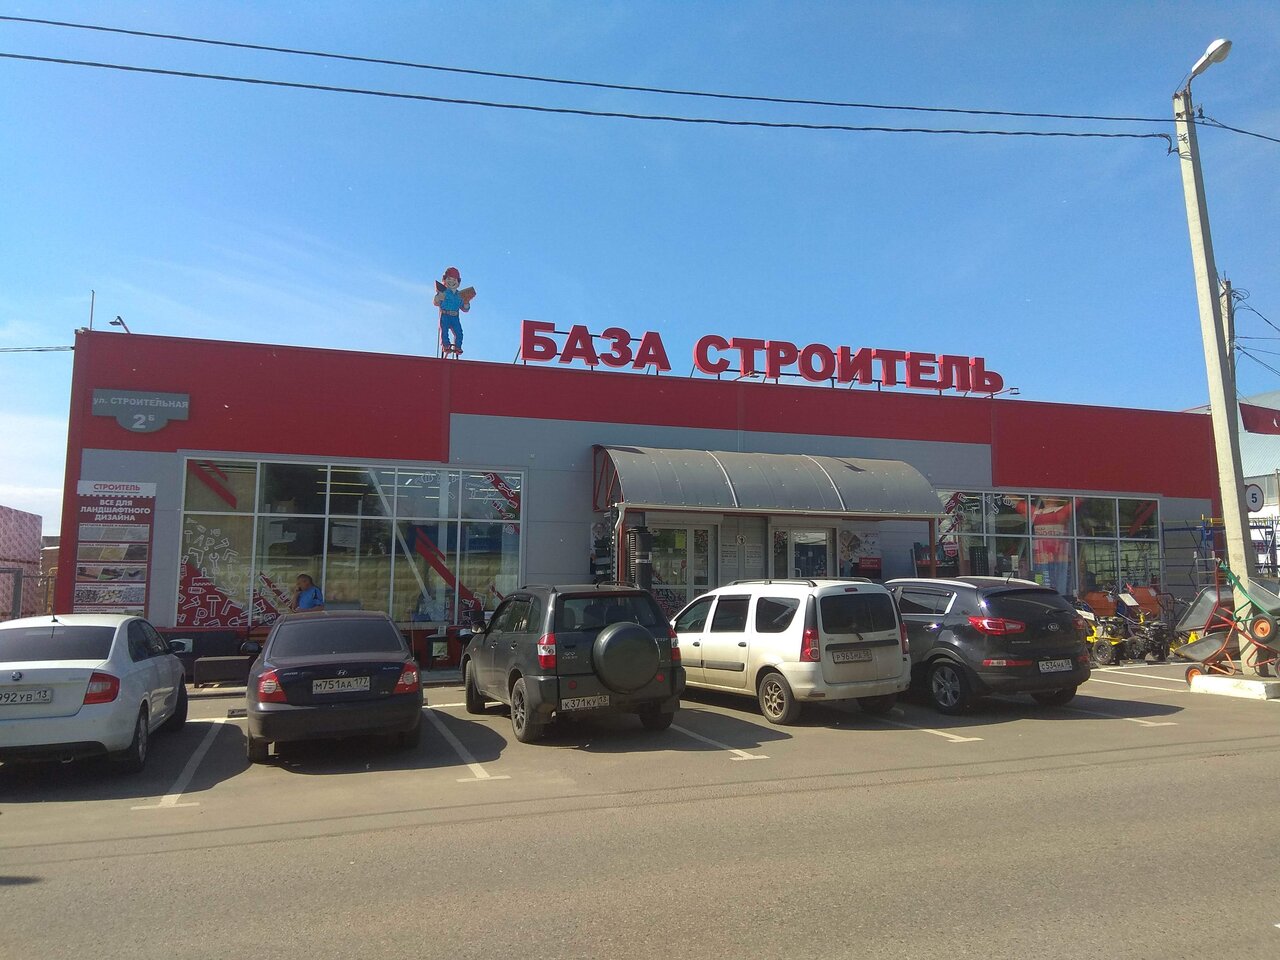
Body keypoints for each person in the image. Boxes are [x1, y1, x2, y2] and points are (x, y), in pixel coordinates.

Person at [433, 266, 473, 356]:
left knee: (459, 332)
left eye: (454, 280)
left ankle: (458, 347)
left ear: (458, 282)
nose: (451, 281)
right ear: (444, 280)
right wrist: (438, 297)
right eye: (449, 279)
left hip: (455, 316)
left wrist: (466, 302)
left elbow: (465, 308)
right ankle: (446, 345)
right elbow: (436, 302)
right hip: (445, 314)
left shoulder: (460, 295)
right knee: (444, 332)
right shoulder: (443, 291)